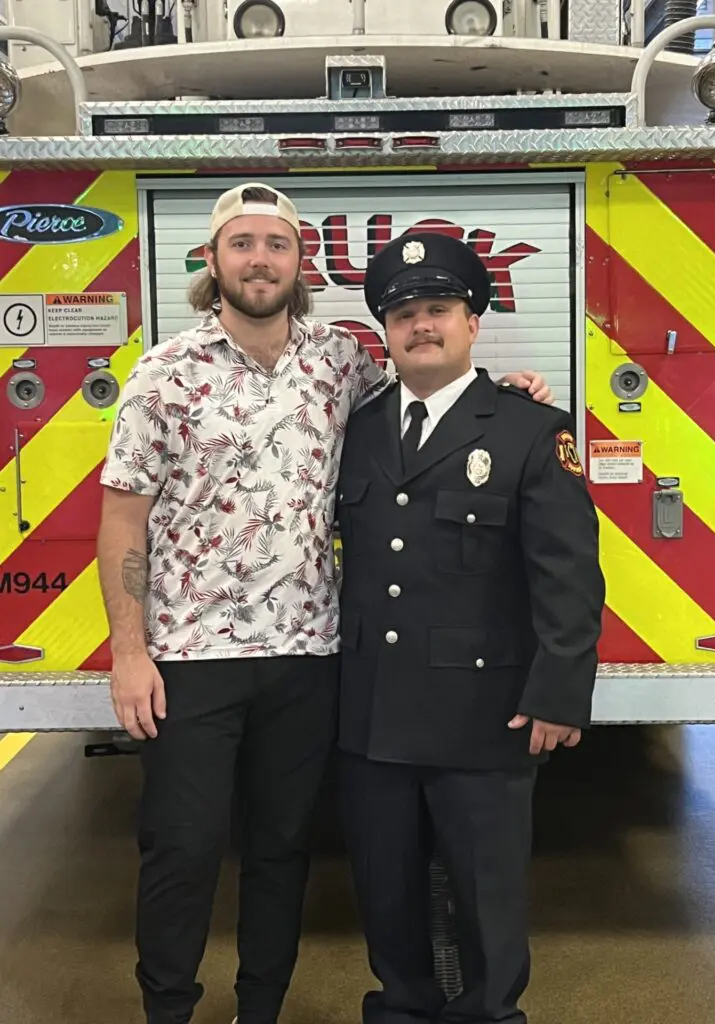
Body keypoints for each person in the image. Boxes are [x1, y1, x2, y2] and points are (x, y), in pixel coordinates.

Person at [95, 182, 554, 1024]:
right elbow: (122, 513)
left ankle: (258, 1011)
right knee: (182, 851)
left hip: (309, 655)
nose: (260, 259)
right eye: (243, 243)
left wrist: (511, 397)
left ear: (302, 263)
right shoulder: (164, 372)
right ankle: (168, 1011)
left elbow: (437, 400)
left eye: (277, 244)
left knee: (281, 851)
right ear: (213, 259)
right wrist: (129, 651)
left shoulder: (342, 363)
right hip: (189, 659)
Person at [336, 231, 606, 1024]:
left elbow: (568, 575)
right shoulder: (357, 428)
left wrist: (559, 692)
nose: (422, 325)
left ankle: (489, 1015)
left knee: (487, 894)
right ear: (384, 332)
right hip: (373, 711)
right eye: (405, 313)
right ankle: (404, 1009)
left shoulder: (529, 430)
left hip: (485, 713)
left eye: (439, 309)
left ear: (473, 322)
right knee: (385, 891)